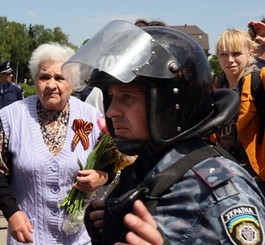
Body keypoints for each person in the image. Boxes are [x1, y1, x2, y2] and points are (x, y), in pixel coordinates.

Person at [62, 20, 265, 244]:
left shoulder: (221, 190)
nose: (111, 111)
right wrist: (110, 224)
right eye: (111, 96)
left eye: (127, 97)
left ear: (169, 104)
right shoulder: (150, 165)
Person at [0, 42, 109, 244]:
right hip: (30, 236)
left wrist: (102, 176)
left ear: (73, 81)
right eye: (44, 77)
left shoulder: (91, 117)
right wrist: (12, 213)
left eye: (60, 78)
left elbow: (112, 161)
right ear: (35, 80)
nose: (51, 85)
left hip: (78, 238)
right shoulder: (15, 116)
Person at [214, 28, 265, 194]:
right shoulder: (216, 87)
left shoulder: (259, 79)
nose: (230, 60)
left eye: (236, 53)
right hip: (224, 171)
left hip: (257, 174)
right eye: (223, 54)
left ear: (250, 54)